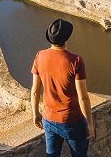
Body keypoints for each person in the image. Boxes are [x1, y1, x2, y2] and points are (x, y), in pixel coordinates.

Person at [31, 19, 94, 157]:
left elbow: (35, 91)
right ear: (66, 38)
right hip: (72, 121)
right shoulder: (76, 61)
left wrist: (35, 113)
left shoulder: (39, 56)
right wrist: (89, 123)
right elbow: (83, 98)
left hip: (48, 119)